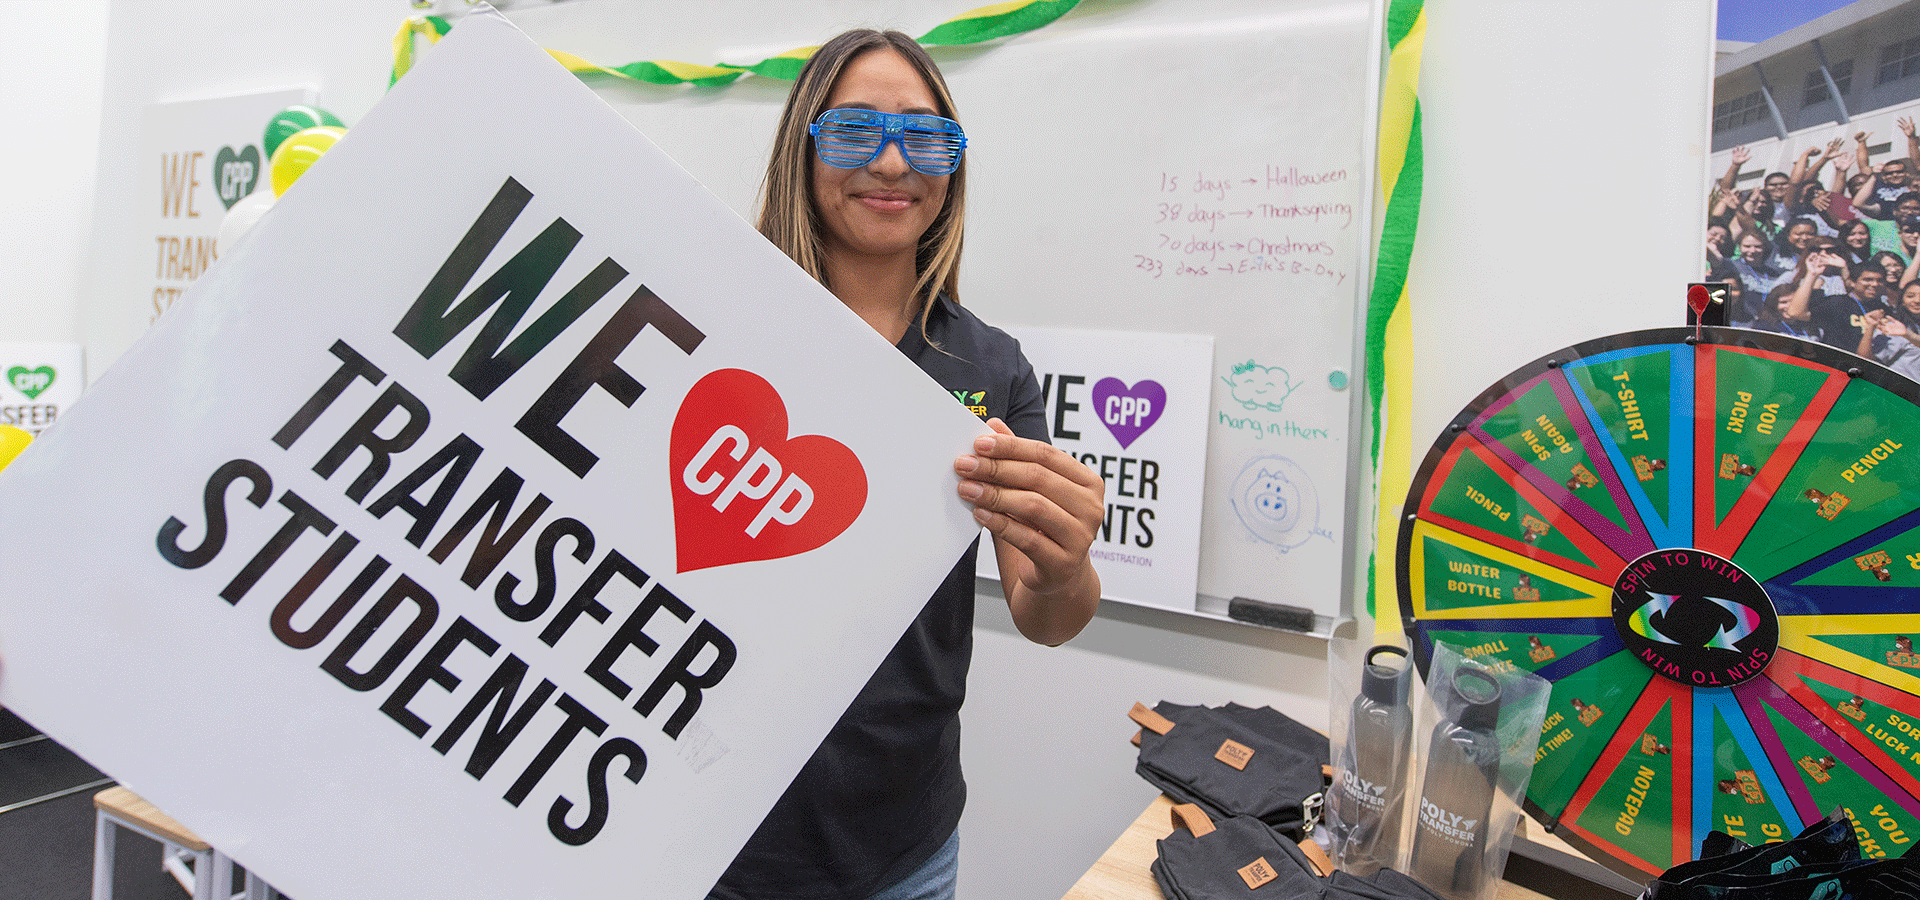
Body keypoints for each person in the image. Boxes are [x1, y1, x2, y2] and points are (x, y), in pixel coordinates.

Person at [708, 29, 1105, 900]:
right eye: (854, 130)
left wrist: (1066, 560)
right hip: (712, 828)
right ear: (802, 150)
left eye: (925, 138)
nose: (892, 163)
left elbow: (1047, 617)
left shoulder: (990, 369)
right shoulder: (720, 327)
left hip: (904, 843)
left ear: (952, 168)